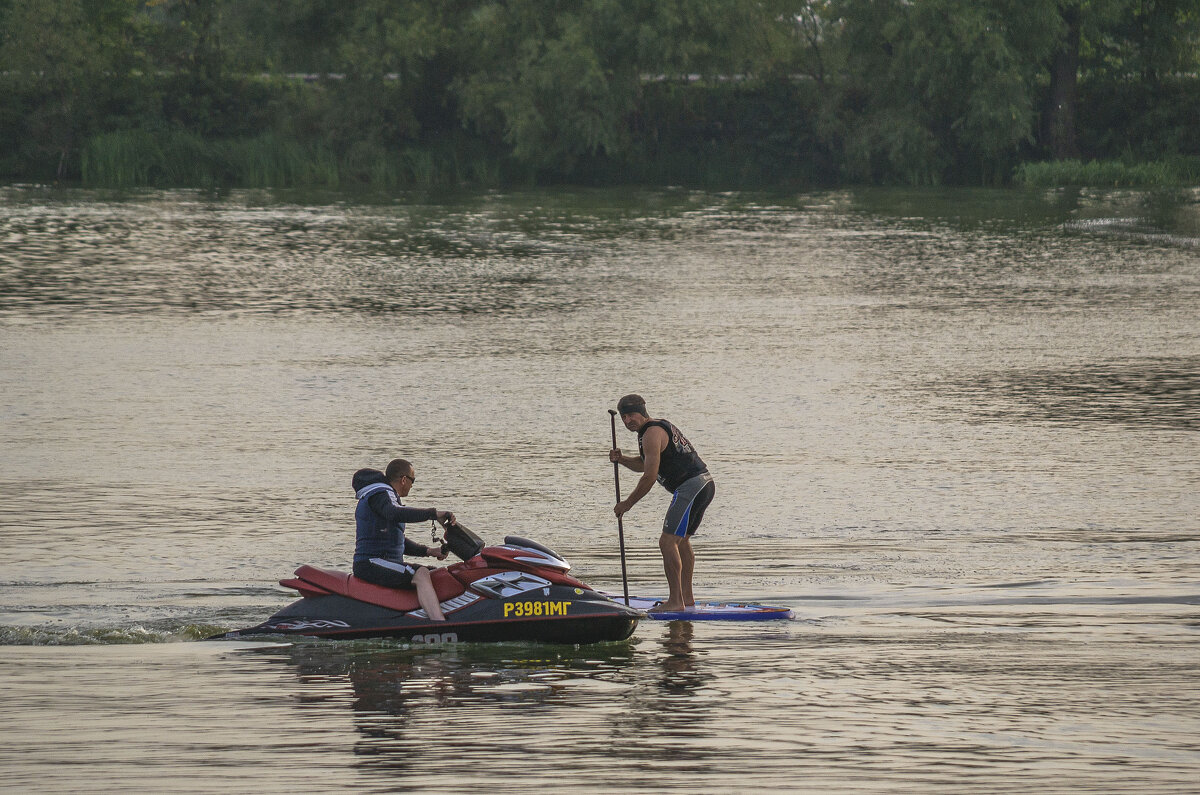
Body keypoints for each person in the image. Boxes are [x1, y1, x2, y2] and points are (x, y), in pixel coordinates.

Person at [609, 394, 715, 613]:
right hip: (704, 483)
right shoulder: (654, 430)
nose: (628, 420)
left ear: (642, 412)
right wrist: (622, 460)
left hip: (691, 486)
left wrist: (627, 504)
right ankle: (687, 599)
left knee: (667, 542)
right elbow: (645, 463)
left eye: (631, 415)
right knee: (681, 541)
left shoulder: (651, 433)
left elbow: (649, 476)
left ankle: (675, 601)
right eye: (624, 417)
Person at [351, 458, 455, 622]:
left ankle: (425, 616)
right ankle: (438, 622)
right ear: (404, 480)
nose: (412, 486)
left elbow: (393, 539)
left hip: (382, 562)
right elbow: (394, 513)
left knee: (435, 573)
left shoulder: (385, 496)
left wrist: (428, 551)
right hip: (371, 563)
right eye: (413, 481)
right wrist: (433, 514)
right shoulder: (381, 494)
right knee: (420, 574)